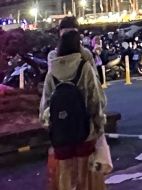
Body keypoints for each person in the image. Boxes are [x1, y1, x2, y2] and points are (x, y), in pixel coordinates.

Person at [41, 29, 107, 190]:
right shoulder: (84, 67)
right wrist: (98, 124)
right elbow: (95, 99)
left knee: (64, 170)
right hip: (83, 129)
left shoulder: (52, 72)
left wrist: (50, 125)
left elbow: (45, 103)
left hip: (61, 131)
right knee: (83, 172)